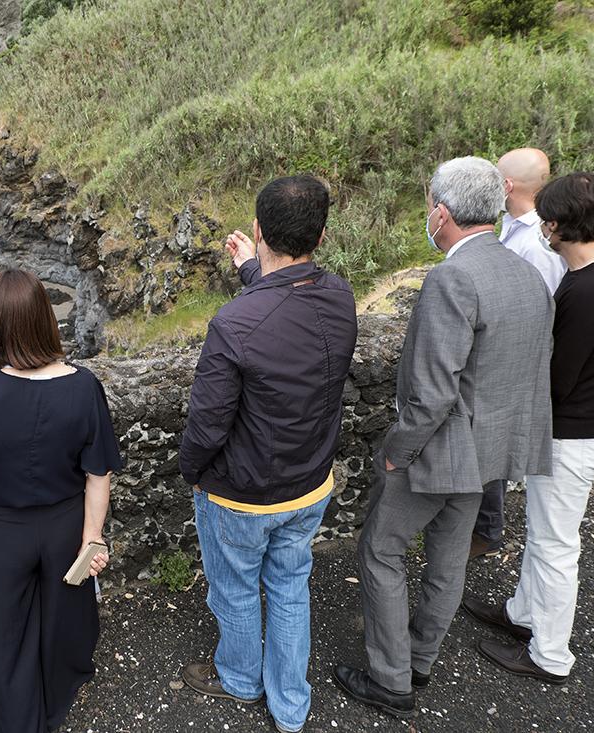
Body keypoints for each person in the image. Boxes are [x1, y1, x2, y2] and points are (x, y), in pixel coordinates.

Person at [334, 157, 554, 719]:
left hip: (439, 452)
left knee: (380, 549)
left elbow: (432, 392)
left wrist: (395, 454)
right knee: (449, 557)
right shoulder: (530, 270)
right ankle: (422, 657)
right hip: (491, 451)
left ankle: (390, 679)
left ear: (441, 212)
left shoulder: (453, 277)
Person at [177, 175, 358, 733]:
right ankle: (290, 706)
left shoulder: (233, 324)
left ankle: (239, 677)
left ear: (258, 230)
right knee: (288, 585)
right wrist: (250, 270)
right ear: (322, 236)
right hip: (310, 484)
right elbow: (290, 302)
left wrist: (192, 472)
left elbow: (207, 423)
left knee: (233, 589)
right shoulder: (340, 296)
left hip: (243, 493)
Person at [0, 268, 123, 733]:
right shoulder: (83, 384)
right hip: (63, 524)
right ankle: (53, 696)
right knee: (61, 622)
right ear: (45, 321)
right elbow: (99, 473)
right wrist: (91, 539)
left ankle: (8, 715)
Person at [464, 173, 594, 683]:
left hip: (574, 436)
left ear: (559, 225)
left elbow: (557, 378)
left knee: (554, 545)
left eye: (545, 221)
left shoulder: (586, 292)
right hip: (591, 426)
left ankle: (551, 655)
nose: (541, 229)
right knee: (544, 536)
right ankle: (522, 615)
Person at [470, 148, 569, 559]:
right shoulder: (511, 226)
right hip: (497, 350)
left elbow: (540, 308)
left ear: (506, 186)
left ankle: (487, 528)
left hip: (512, 356)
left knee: (493, 442)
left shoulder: (539, 244)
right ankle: (479, 524)